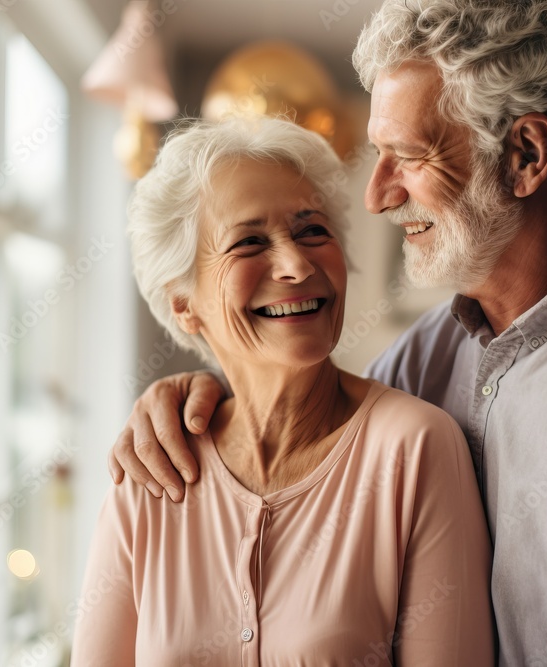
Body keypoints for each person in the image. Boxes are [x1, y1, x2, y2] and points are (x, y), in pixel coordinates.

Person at [109, 1, 547, 664]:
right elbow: (310, 430)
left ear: (526, 154)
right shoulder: (427, 355)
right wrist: (194, 400)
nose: (376, 195)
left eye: (405, 156)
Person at [72, 117, 495, 665]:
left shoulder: (415, 448)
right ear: (184, 303)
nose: (297, 265)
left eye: (312, 231)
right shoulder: (151, 472)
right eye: (248, 242)